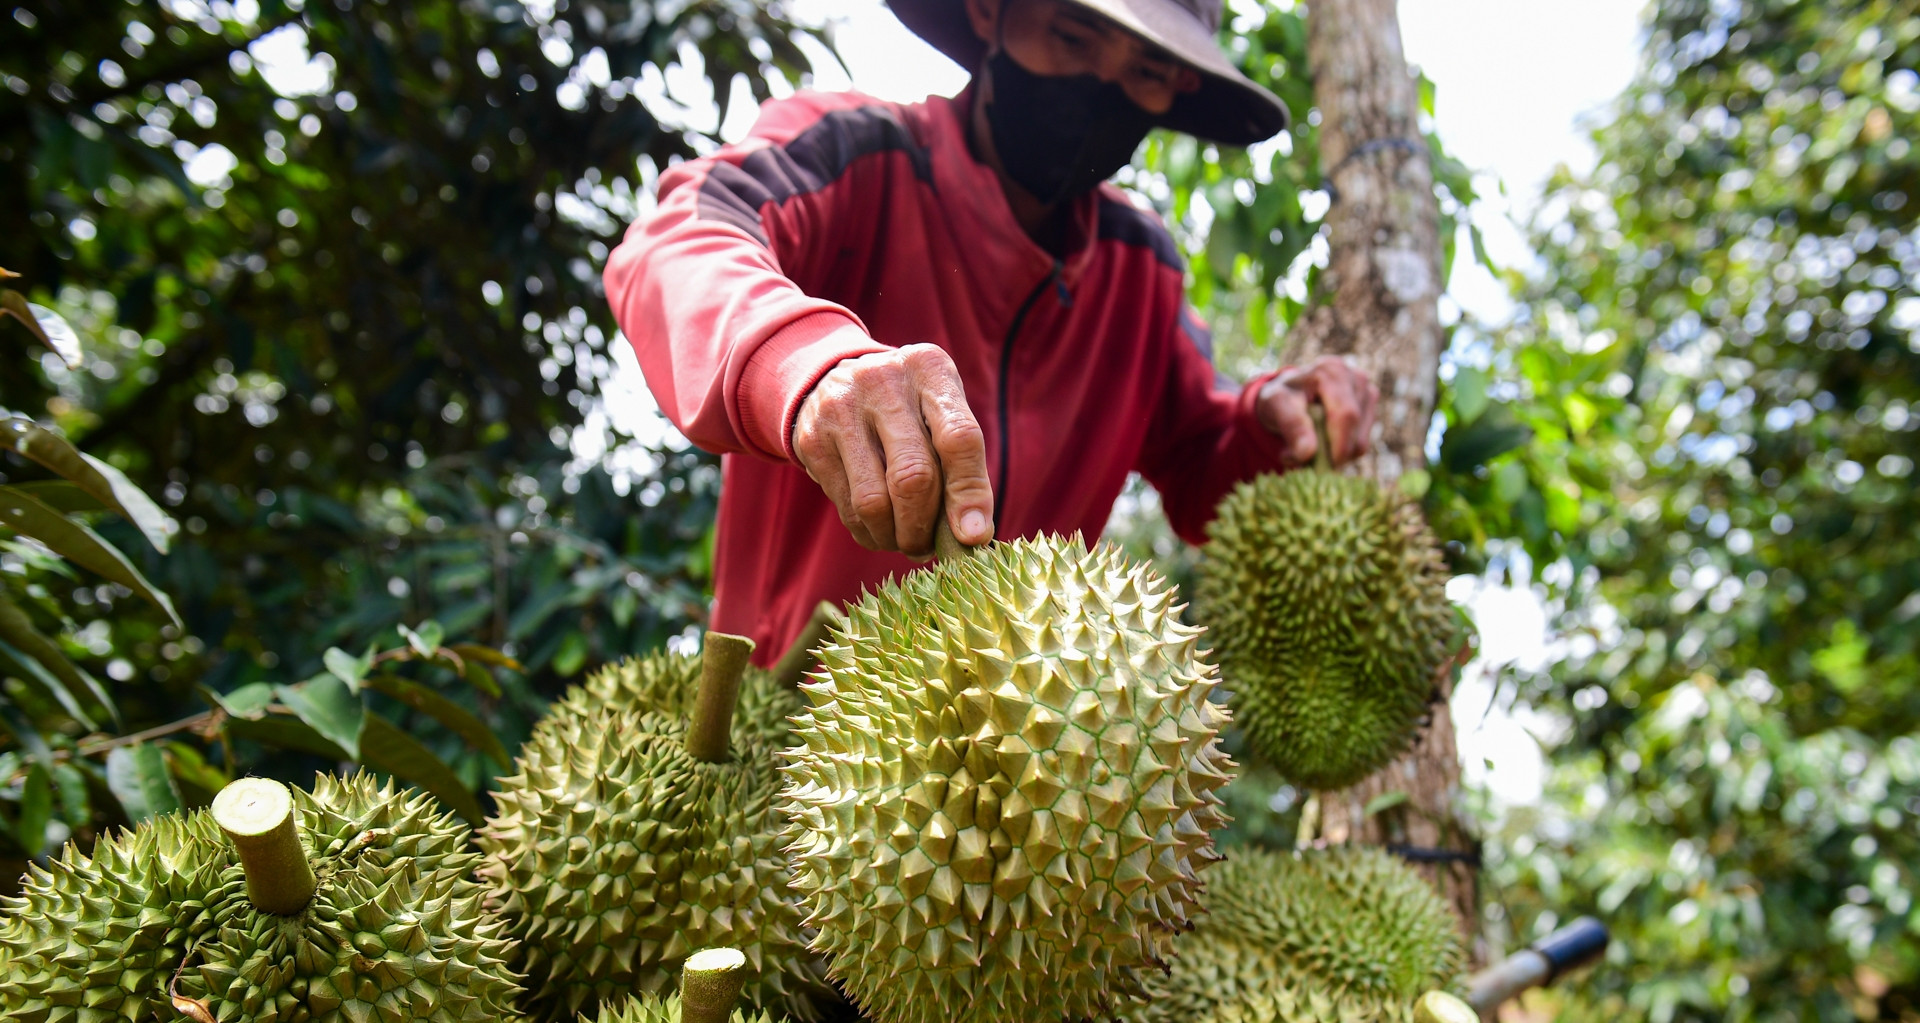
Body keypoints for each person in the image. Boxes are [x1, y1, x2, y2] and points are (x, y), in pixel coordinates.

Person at [604, 0, 1380, 662]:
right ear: (989, 11)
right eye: (1075, 39)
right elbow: (679, 241)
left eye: (1143, 72)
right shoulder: (854, 149)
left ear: (1173, 89)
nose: (1101, 89)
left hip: (1021, 766)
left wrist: (1277, 424)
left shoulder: (1143, 273)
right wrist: (805, 364)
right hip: (777, 740)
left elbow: (1207, 462)